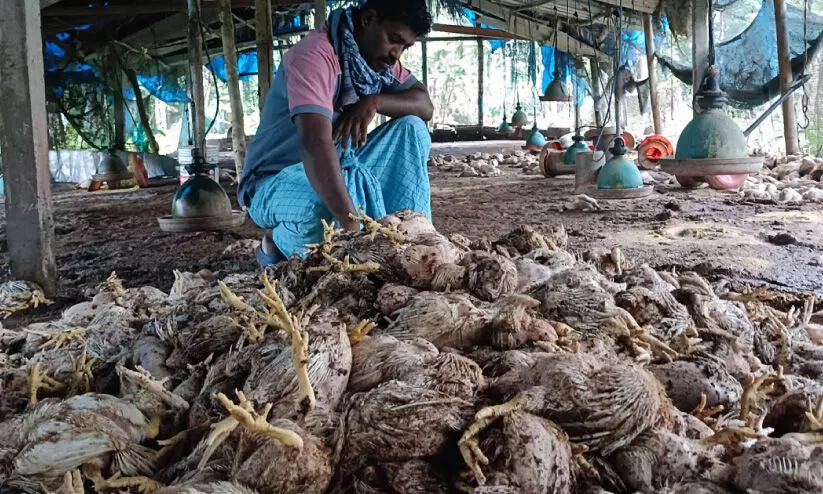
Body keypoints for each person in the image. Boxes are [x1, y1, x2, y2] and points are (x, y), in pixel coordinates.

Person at [239, 0, 434, 267]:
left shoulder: (374, 65)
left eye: (404, 47)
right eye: (394, 39)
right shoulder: (314, 56)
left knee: (412, 128)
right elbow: (314, 143)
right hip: (273, 182)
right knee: (325, 214)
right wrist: (353, 230)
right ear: (368, 19)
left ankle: (409, 242)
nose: (396, 54)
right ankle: (274, 239)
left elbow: (424, 105)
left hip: (338, 165)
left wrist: (374, 102)